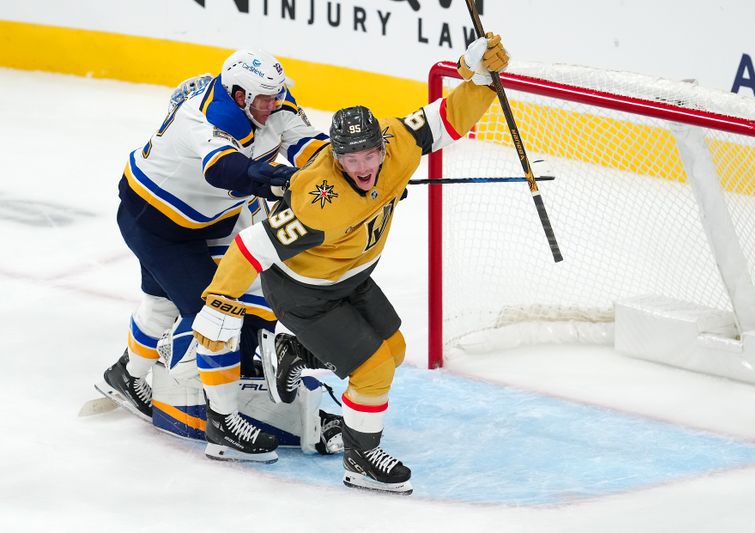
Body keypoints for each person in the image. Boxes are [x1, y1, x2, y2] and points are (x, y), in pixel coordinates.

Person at [191, 33, 510, 493]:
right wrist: (219, 302)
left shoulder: (398, 146)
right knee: (373, 368)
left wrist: (478, 79)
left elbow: (443, 120)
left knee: (395, 351)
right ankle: (361, 458)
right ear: (336, 160)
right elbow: (253, 248)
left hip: (351, 277)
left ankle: (295, 352)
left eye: (370, 155)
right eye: (351, 159)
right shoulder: (319, 202)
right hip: (304, 292)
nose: (364, 167)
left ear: (384, 146)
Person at [96, 49, 332, 463]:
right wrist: (275, 180)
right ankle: (223, 424)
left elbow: (307, 146)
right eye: (264, 98)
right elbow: (226, 170)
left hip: (210, 219)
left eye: (278, 96)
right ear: (238, 95)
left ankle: (126, 376)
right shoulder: (201, 117)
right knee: (217, 313)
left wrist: (347, 173)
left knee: (166, 302)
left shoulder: (271, 101)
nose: (274, 104)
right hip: (156, 223)